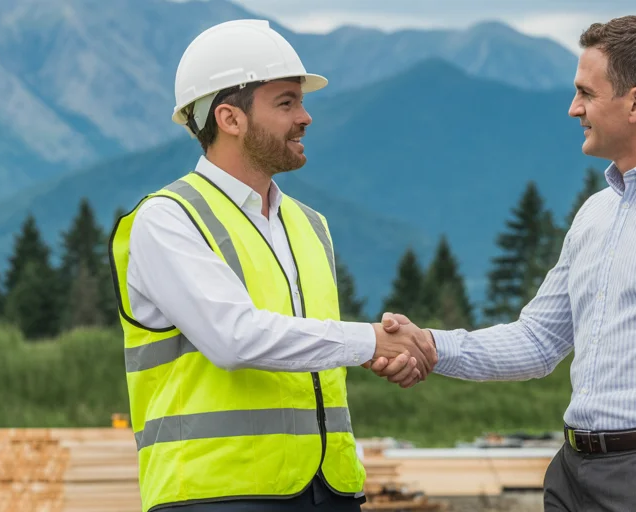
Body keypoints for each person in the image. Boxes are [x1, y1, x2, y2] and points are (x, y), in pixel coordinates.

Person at [375, 15, 636, 511]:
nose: (572, 108)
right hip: (571, 473)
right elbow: (538, 341)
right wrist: (431, 345)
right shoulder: (595, 213)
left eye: (586, 93)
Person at [109, 19, 437, 512]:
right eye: (286, 103)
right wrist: (367, 340)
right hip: (216, 493)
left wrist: (378, 354)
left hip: (329, 489)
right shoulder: (168, 220)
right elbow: (234, 338)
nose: (305, 117)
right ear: (230, 118)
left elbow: (306, 345)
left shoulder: (310, 225)